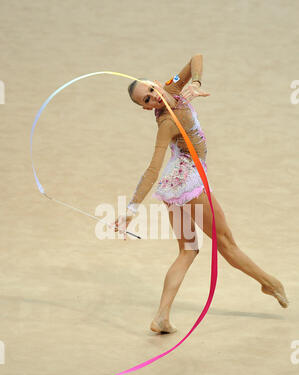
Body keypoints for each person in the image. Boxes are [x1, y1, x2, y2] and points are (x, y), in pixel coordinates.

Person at [111, 54, 289, 334]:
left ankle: (161, 317)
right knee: (227, 243)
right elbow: (152, 168)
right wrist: (131, 209)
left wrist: (194, 82)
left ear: (157, 83)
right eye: (146, 100)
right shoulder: (167, 123)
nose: (153, 97)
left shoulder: (172, 88)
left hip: (174, 187)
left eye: (151, 90)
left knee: (188, 250)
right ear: (145, 109)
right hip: (188, 183)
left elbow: (196, 57)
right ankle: (270, 283)